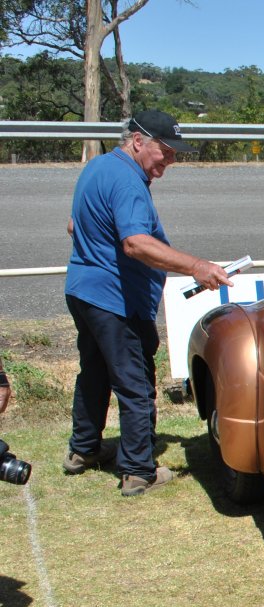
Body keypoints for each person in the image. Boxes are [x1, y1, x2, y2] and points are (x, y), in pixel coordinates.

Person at [63, 110, 234, 496]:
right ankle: (139, 470)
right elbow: (136, 242)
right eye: (166, 151)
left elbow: (74, 225)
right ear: (138, 141)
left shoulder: (97, 168)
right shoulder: (128, 182)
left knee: (93, 372)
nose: (170, 161)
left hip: (82, 290)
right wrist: (196, 266)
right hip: (114, 300)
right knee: (135, 382)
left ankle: (83, 450)